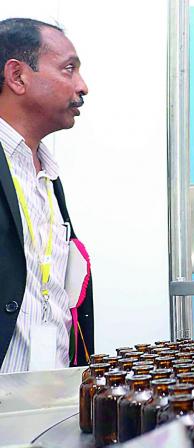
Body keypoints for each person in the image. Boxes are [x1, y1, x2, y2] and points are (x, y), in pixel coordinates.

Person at [0, 18, 93, 372]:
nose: (83, 87)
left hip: (50, 387)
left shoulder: (47, 175)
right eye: (69, 70)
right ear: (18, 77)